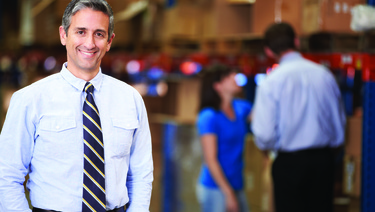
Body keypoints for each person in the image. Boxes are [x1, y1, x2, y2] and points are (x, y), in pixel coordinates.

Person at [0, 0, 153, 211]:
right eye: (81, 32)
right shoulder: (29, 100)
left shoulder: (131, 99)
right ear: (64, 35)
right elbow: (6, 177)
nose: (89, 43)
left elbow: (141, 174)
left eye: (99, 34)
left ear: (109, 41)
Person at [251, 22, 346, 212]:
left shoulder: (271, 82)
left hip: (289, 163)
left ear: (268, 51)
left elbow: (264, 134)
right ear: (296, 41)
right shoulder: (324, 75)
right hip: (323, 161)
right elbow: (338, 123)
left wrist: (270, 149)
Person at [196, 64, 252, 212]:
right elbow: (211, 159)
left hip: (237, 183)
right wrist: (228, 193)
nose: (235, 78)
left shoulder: (241, 108)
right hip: (216, 188)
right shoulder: (208, 116)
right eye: (229, 76)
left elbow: (264, 120)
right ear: (217, 86)